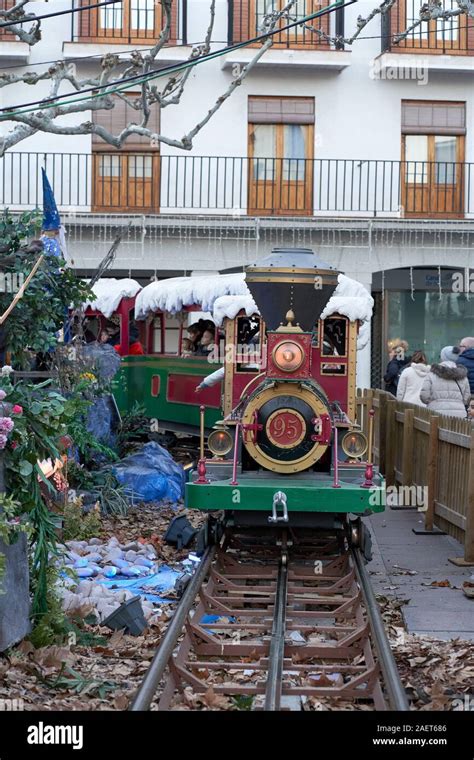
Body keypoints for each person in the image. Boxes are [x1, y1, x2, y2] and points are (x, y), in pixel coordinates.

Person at [420, 352, 471, 418]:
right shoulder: (463, 376)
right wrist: (458, 403)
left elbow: (424, 395)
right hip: (459, 413)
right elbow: (467, 397)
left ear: (442, 357)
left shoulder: (432, 374)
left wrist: (433, 402)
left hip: (435, 412)